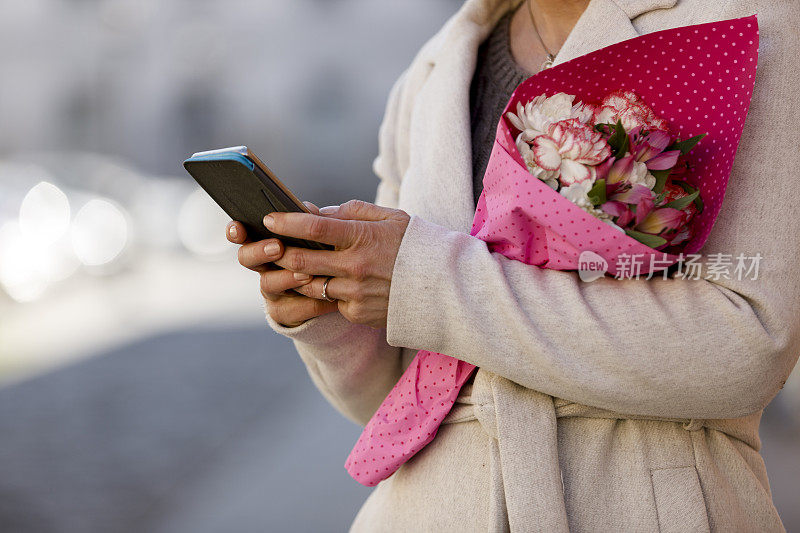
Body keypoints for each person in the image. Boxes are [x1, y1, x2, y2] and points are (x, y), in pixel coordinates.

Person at [226, 0, 798, 530]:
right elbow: (392, 400)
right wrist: (330, 309)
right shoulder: (433, 72)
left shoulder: (755, 23)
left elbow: (745, 346)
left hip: (639, 504)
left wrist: (422, 281)